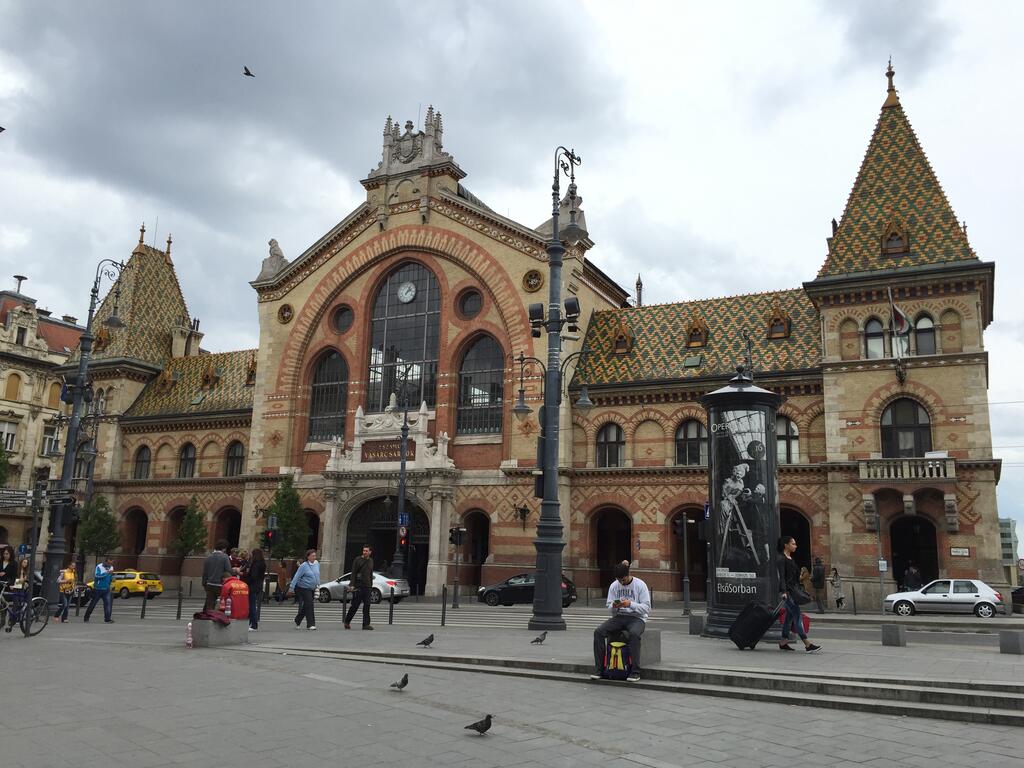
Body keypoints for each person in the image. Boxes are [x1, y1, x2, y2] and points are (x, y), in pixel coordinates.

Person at [590, 561, 651, 683]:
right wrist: (614, 606)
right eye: (619, 580)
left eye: (623, 580)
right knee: (599, 632)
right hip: (619, 617)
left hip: (637, 618)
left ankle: (635, 672)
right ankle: (599, 670)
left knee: (634, 634)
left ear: (628, 575)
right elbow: (609, 606)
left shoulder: (640, 585)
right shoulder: (614, 586)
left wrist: (630, 604)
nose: (621, 583)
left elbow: (646, 608)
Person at [777, 536, 820, 652]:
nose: (795, 546)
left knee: (789, 618)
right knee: (797, 616)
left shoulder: (791, 558)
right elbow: (782, 577)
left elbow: (795, 577)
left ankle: (783, 642)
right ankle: (807, 645)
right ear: (786, 545)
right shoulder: (781, 559)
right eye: (793, 544)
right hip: (787, 593)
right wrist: (783, 592)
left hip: (793, 591)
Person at [288, 549, 320, 630]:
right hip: (304, 587)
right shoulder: (304, 566)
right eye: (312, 556)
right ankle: (310, 624)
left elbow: (317, 575)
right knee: (310, 604)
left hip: (313, 587)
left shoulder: (317, 563)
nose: (314, 557)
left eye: (315, 556)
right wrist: (291, 587)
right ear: (308, 557)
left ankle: (298, 619)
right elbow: (297, 576)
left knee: (307, 605)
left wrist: (318, 585)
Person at [344, 545, 374, 630]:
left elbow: (370, 574)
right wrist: (352, 585)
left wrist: (371, 585)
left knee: (367, 605)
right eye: (364, 550)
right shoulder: (357, 560)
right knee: (355, 605)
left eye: (366, 551)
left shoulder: (371, 561)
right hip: (358, 586)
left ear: (370, 552)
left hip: (367, 587)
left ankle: (366, 624)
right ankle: (347, 621)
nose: (365, 552)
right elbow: (353, 573)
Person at [201, 540, 232, 612]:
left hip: (209, 584)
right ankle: (218, 616)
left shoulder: (208, 557)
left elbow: (205, 572)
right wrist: (235, 571)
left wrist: (204, 583)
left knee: (209, 604)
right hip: (220, 584)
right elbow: (228, 570)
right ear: (224, 548)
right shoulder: (225, 557)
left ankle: (208, 616)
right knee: (221, 604)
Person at [84, 556, 115, 624]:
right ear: (106, 561)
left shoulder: (111, 567)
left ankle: (107, 619)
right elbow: (97, 576)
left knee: (107, 604)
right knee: (93, 603)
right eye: (109, 563)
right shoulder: (99, 566)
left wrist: (111, 582)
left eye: (111, 563)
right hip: (98, 588)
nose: (110, 565)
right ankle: (86, 617)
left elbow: (110, 577)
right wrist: (107, 573)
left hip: (106, 589)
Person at [245, 547, 267, 631]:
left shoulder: (255, 564)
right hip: (258, 585)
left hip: (252, 586)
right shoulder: (263, 563)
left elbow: (253, 576)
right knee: (253, 605)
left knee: (252, 606)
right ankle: (250, 623)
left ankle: (254, 624)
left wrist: (247, 579)